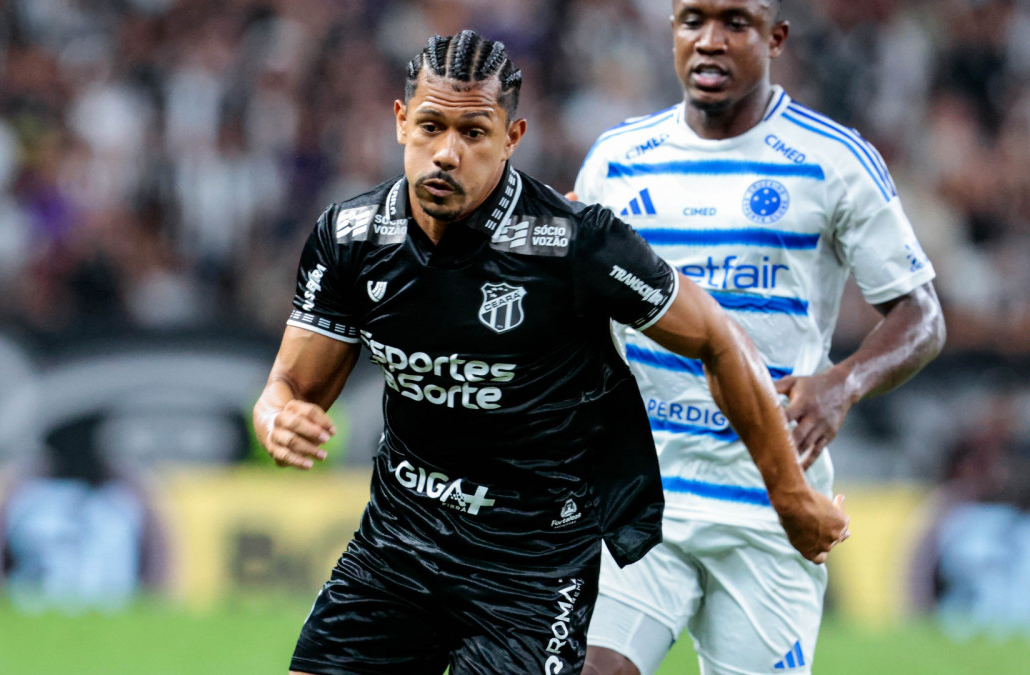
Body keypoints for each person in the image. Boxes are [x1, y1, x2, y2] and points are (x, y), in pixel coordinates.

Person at [253, 29, 847, 675]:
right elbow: (287, 386)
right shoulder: (352, 237)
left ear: (513, 137)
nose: (446, 153)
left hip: (529, 568)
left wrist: (789, 494)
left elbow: (718, 338)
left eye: (474, 133)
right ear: (401, 122)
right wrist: (277, 417)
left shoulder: (574, 244)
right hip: (398, 546)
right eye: (430, 126)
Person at [572, 2, 946, 674]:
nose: (709, 42)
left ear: (776, 37)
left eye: (735, 23)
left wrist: (843, 383)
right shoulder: (618, 159)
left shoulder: (832, 159)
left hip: (770, 504)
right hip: (642, 495)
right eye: (692, 20)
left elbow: (922, 317)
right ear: (672, 32)